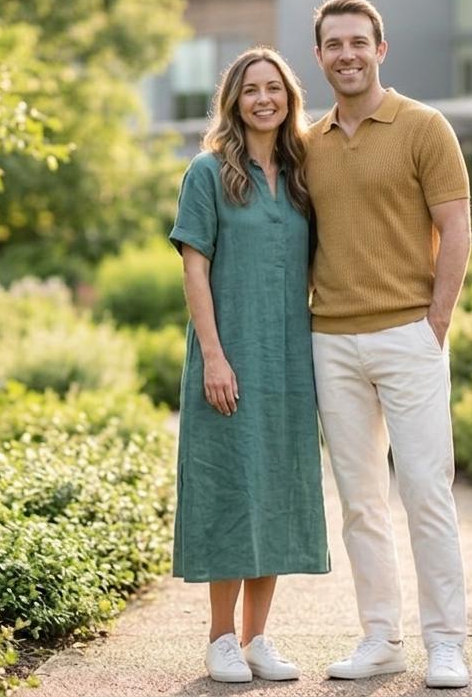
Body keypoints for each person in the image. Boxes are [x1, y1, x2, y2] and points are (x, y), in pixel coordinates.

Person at [305, 0, 472, 689]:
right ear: (319, 56)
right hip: (331, 341)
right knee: (360, 502)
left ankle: (446, 643)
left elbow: (456, 228)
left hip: (409, 334)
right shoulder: (306, 145)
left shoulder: (424, 126)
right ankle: (381, 638)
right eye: (333, 44)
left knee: (426, 492)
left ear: (380, 49)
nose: (346, 54)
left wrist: (436, 322)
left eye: (357, 42)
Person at [168, 47, 330, 684]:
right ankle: (220, 640)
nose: (264, 99)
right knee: (232, 488)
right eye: (251, 89)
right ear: (233, 101)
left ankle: (258, 637)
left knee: (276, 489)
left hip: (287, 359)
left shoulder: (300, 176)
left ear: (290, 98)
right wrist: (214, 355)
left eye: (274, 88)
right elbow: (194, 268)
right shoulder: (208, 173)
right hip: (229, 354)